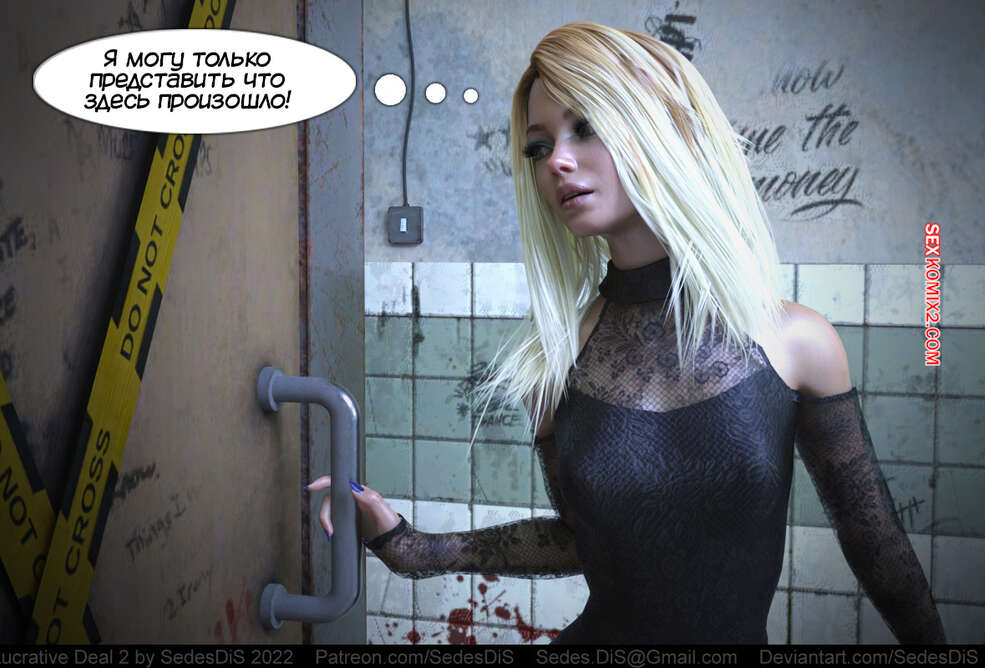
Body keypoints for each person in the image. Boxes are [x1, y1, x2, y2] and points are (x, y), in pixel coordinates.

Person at [308, 22, 946, 644]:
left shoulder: (797, 341)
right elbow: (583, 540)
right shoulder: (555, 362)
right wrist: (412, 548)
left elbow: (874, 542)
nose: (557, 161)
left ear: (658, 128)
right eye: (538, 147)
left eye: (586, 127)